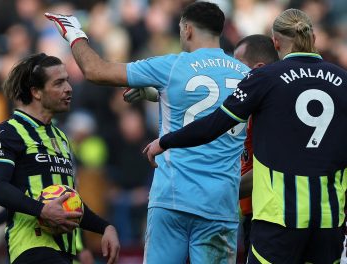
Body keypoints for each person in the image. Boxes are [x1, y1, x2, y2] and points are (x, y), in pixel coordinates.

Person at [45, 2, 251, 262]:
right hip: (220, 204)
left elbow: (96, 71)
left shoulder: (172, 66)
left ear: (187, 30)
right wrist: (158, 94)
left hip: (172, 200)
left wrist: (74, 33)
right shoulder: (247, 75)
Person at [144, 8, 347, 264]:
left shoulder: (264, 78)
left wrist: (166, 141)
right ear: (313, 39)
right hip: (328, 219)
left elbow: (215, 124)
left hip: (278, 219)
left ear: (275, 42)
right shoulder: (343, 80)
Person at [0, 53, 119, 264]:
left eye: (67, 80)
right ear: (36, 92)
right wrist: (42, 210)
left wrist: (105, 227)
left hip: (64, 251)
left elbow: (69, 201)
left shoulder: (61, 137)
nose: (69, 88)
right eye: (59, 83)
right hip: (31, 248)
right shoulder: (6, 133)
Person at [233, 34, 279, 261]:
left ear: (258, 68)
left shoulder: (270, 109)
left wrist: (219, 192)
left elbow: (265, 168)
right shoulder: (248, 103)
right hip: (253, 213)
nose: (232, 72)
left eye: (237, 65)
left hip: (270, 216)